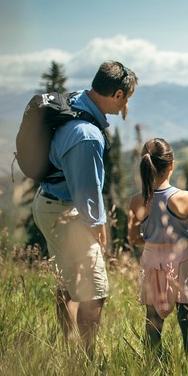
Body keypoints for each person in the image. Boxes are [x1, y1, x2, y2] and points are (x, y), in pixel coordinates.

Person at [32, 60, 138, 358]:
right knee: (95, 290)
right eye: (127, 98)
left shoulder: (79, 99)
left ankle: (66, 347)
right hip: (65, 210)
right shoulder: (87, 137)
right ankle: (86, 360)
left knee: (69, 278)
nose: (126, 104)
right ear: (117, 94)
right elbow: (87, 192)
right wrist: (99, 226)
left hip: (49, 201)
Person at [127, 138, 188, 373]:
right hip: (181, 263)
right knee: (187, 318)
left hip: (152, 261)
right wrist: (183, 238)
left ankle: (153, 371)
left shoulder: (136, 200)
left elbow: (134, 238)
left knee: (153, 320)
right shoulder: (185, 198)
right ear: (171, 165)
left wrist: (152, 241)